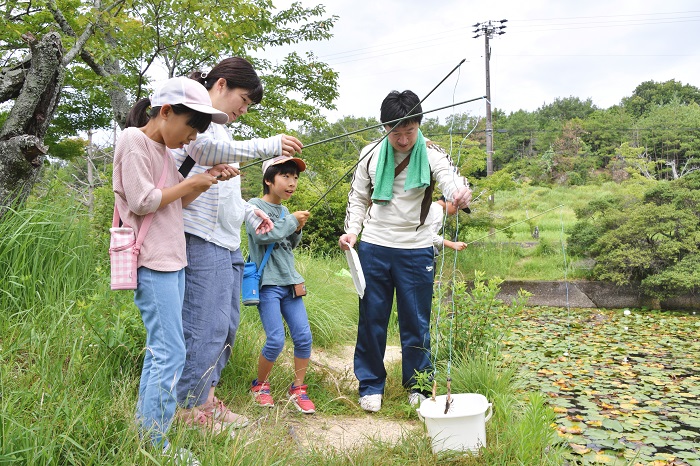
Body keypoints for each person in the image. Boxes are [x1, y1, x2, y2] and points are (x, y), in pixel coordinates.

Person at [170, 57, 303, 431]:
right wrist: (270, 145)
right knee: (204, 326)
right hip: (200, 238)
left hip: (227, 243)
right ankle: (187, 409)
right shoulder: (196, 121)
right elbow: (204, 154)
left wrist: (250, 213)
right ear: (222, 85)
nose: (243, 110)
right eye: (243, 100)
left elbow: (224, 192)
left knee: (226, 325)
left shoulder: (223, 133)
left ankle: (206, 399)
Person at [112, 76, 228, 463]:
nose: (191, 137)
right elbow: (144, 201)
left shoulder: (163, 149)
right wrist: (191, 181)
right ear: (165, 112)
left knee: (162, 351)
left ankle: (145, 431)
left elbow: (176, 200)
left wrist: (207, 180)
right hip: (152, 261)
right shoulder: (134, 140)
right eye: (191, 126)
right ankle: (156, 443)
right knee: (171, 351)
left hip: (173, 260)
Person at [338, 90, 472, 413]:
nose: (402, 139)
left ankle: (419, 385)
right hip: (374, 245)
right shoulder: (370, 154)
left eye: (409, 131)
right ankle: (370, 385)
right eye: (395, 132)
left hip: (416, 247)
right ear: (384, 127)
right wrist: (351, 232)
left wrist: (459, 193)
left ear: (418, 125)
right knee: (372, 319)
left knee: (416, 321)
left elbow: (449, 180)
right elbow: (358, 198)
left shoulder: (431, 153)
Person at [247, 156, 316, 414]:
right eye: (286, 176)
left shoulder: (286, 212)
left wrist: (297, 228)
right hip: (268, 285)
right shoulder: (253, 206)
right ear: (268, 179)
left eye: (295, 178)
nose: (292, 183)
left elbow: (288, 246)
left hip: (291, 283)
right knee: (275, 339)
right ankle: (260, 385)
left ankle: (298, 388)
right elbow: (263, 235)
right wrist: (290, 223)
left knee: (304, 337)